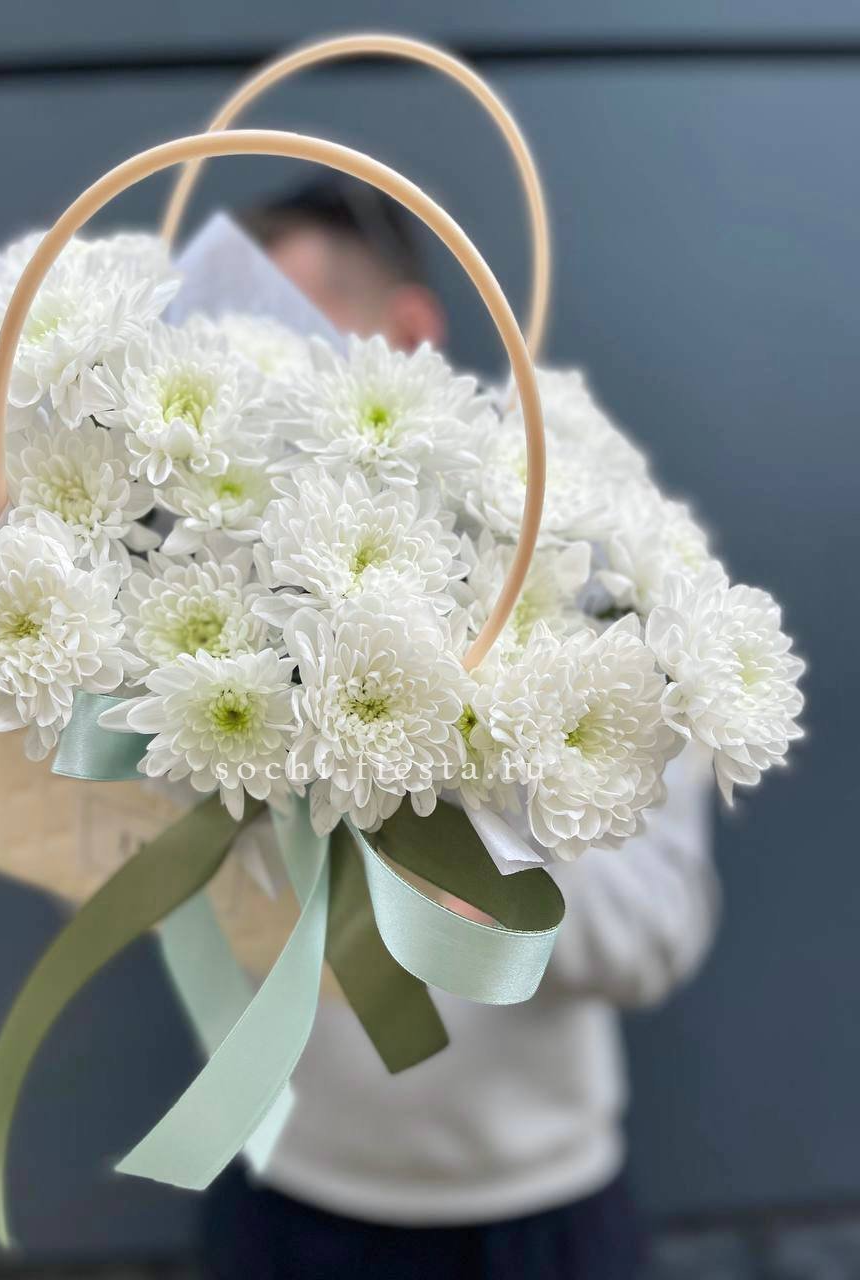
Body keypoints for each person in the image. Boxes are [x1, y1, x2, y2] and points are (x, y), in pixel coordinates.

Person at [197, 178, 721, 1280]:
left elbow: (658, 933)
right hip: (285, 1187)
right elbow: (144, 870)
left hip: (537, 1208)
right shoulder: (211, 578)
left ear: (407, 334)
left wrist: (450, 810)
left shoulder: (591, 573)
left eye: (279, 339)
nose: (250, 390)